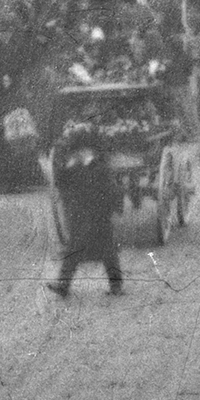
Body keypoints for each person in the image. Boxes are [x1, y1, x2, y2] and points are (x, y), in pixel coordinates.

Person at [49, 125, 125, 297]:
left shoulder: (100, 166)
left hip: (100, 213)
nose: (79, 154)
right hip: (81, 212)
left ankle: (116, 285)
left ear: (89, 150)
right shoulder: (74, 166)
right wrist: (68, 167)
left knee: (107, 250)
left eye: (82, 151)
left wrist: (114, 209)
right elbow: (61, 183)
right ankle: (63, 285)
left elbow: (112, 189)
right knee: (75, 247)